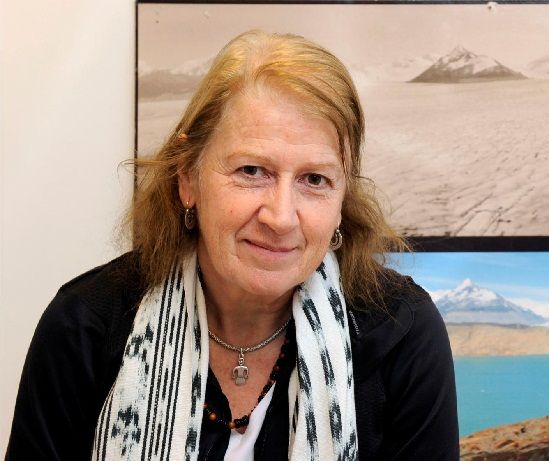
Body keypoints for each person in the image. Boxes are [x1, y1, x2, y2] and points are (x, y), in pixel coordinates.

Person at [6, 30, 458, 460]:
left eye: (315, 179)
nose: (281, 216)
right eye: (251, 171)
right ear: (188, 177)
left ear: (341, 202)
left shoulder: (402, 333)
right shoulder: (85, 328)